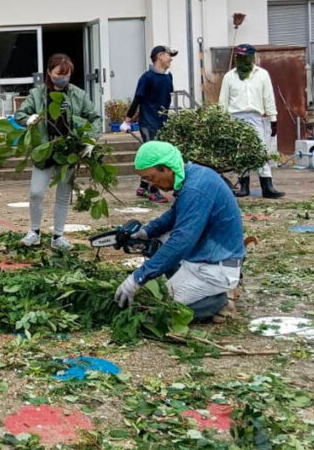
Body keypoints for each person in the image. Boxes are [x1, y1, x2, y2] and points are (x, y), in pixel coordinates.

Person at [114, 141, 244, 321]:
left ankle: (220, 301)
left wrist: (138, 278)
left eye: (151, 178)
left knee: (165, 310)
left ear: (166, 168)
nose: (151, 184)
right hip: (207, 255)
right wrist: (146, 232)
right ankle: (199, 288)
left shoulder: (195, 189)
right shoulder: (194, 175)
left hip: (218, 265)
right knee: (158, 243)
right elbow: (175, 214)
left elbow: (182, 241)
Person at [14, 53, 101, 250]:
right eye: (58, 74)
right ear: (49, 73)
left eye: (67, 75)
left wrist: (91, 139)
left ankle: (58, 236)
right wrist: (28, 119)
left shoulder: (78, 95)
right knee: (36, 192)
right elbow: (20, 114)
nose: (62, 78)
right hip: (44, 151)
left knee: (63, 195)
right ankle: (34, 232)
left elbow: (95, 117)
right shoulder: (37, 94)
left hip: (68, 151)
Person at [218, 44, 285, 199]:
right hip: (236, 118)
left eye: (245, 57)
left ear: (251, 57)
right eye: (239, 57)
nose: (242, 60)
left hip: (256, 117)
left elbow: (268, 97)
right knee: (241, 152)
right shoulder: (230, 77)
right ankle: (244, 186)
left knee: (261, 151)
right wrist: (223, 122)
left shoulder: (262, 75)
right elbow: (223, 101)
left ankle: (267, 186)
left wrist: (273, 118)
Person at [122, 45, 177, 203]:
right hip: (148, 121)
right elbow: (137, 99)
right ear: (159, 56)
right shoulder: (146, 78)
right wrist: (127, 120)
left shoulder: (168, 77)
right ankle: (153, 190)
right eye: (168, 55)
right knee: (155, 157)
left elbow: (167, 100)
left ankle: (143, 187)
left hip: (162, 121)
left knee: (161, 155)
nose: (170, 59)